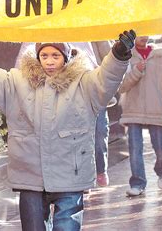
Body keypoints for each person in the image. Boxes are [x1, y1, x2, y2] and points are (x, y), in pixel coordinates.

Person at [0, 31, 135, 230]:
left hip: (70, 177)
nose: (49, 61)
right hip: (30, 175)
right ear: (37, 56)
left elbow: (107, 78)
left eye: (55, 56)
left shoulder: (84, 83)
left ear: (65, 57)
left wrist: (119, 53)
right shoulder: (17, 82)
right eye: (44, 55)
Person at [14, 41, 115, 187]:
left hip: (87, 85)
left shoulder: (83, 26)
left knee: (99, 132)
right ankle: (73, 179)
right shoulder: (38, 33)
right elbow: (21, 62)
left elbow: (108, 54)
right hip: (53, 89)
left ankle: (99, 168)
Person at [119, 35, 162, 196]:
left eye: (146, 33)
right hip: (132, 110)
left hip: (157, 111)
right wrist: (136, 71)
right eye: (140, 33)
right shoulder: (126, 56)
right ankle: (138, 183)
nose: (143, 37)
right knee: (134, 149)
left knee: (160, 148)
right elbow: (121, 86)